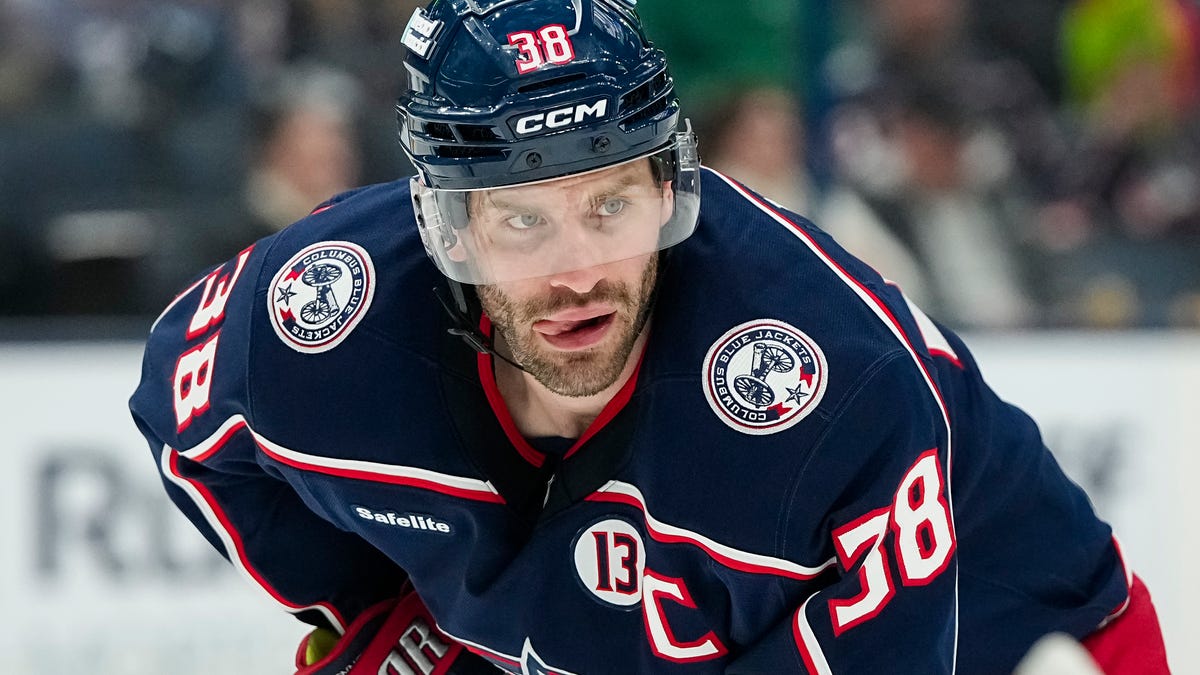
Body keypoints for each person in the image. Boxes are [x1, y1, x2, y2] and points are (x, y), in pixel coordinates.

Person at [129, 1, 1170, 672]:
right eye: (524, 219)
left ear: (671, 193)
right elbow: (180, 414)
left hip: (1012, 640)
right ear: (448, 226)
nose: (577, 268)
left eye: (612, 207)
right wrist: (384, 613)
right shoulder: (321, 315)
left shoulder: (821, 379)